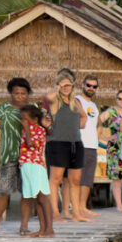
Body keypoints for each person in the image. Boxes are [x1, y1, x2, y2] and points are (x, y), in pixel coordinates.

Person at [0, 77, 31, 236]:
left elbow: (42, 130)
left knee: (27, 193)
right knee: (2, 192)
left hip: (28, 158)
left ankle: (24, 226)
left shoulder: (33, 108)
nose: (20, 96)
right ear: (11, 93)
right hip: (8, 156)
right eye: (17, 93)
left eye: (24, 93)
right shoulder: (2, 108)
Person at [45, 70, 86, 224]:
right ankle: (55, 214)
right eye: (63, 85)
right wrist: (58, 87)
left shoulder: (75, 102)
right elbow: (49, 96)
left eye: (68, 85)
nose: (66, 88)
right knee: (56, 179)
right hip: (58, 143)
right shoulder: (56, 101)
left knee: (75, 180)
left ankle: (76, 214)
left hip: (76, 143)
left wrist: (78, 126)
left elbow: (84, 117)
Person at [17, 103, 55, 237]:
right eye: (21, 119)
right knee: (37, 199)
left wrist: (27, 128)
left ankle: (49, 229)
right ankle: (42, 229)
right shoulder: (27, 128)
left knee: (43, 198)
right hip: (27, 165)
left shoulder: (38, 129)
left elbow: (30, 143)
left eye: (25, 119)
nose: (22, 121)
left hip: (36, 165)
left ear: (34, 119)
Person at [75, 73, 102, 221]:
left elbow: (99, 124)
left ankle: (82, 206)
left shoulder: (94, 106)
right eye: (89, 85)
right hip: (80, 144)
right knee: (78, 177)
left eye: (94, 86)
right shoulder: (77, 100)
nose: (91, 88)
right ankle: (76, 208)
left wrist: (96, 136)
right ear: (83, 85)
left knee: (87, 178)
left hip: (92, 145)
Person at [98, 89, 122, 213]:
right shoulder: (111, 112)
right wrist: (104, 137)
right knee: (117, 178)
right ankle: (119, 205)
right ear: (116, 99)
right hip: (115, 147)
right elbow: (96, 121)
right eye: (120, 98)